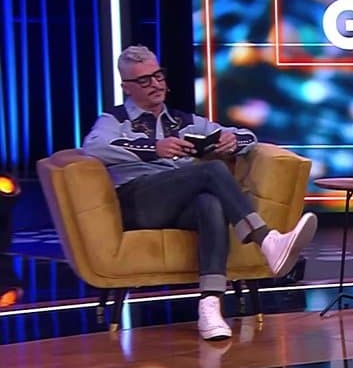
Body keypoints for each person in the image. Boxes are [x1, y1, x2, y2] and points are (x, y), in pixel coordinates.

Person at [81, 45, 317, 341]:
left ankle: (210, 307)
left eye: (158, 76)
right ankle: (267, 240)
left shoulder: (184, 121)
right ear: (126, 87)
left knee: (210, 204)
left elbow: (249, 137)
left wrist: (232, 141)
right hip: (138, 200)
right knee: (211, 171)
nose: (155, 84)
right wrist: (153, 149)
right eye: (144, 80)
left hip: (179, 202)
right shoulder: (114, 119)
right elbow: (93, 147)